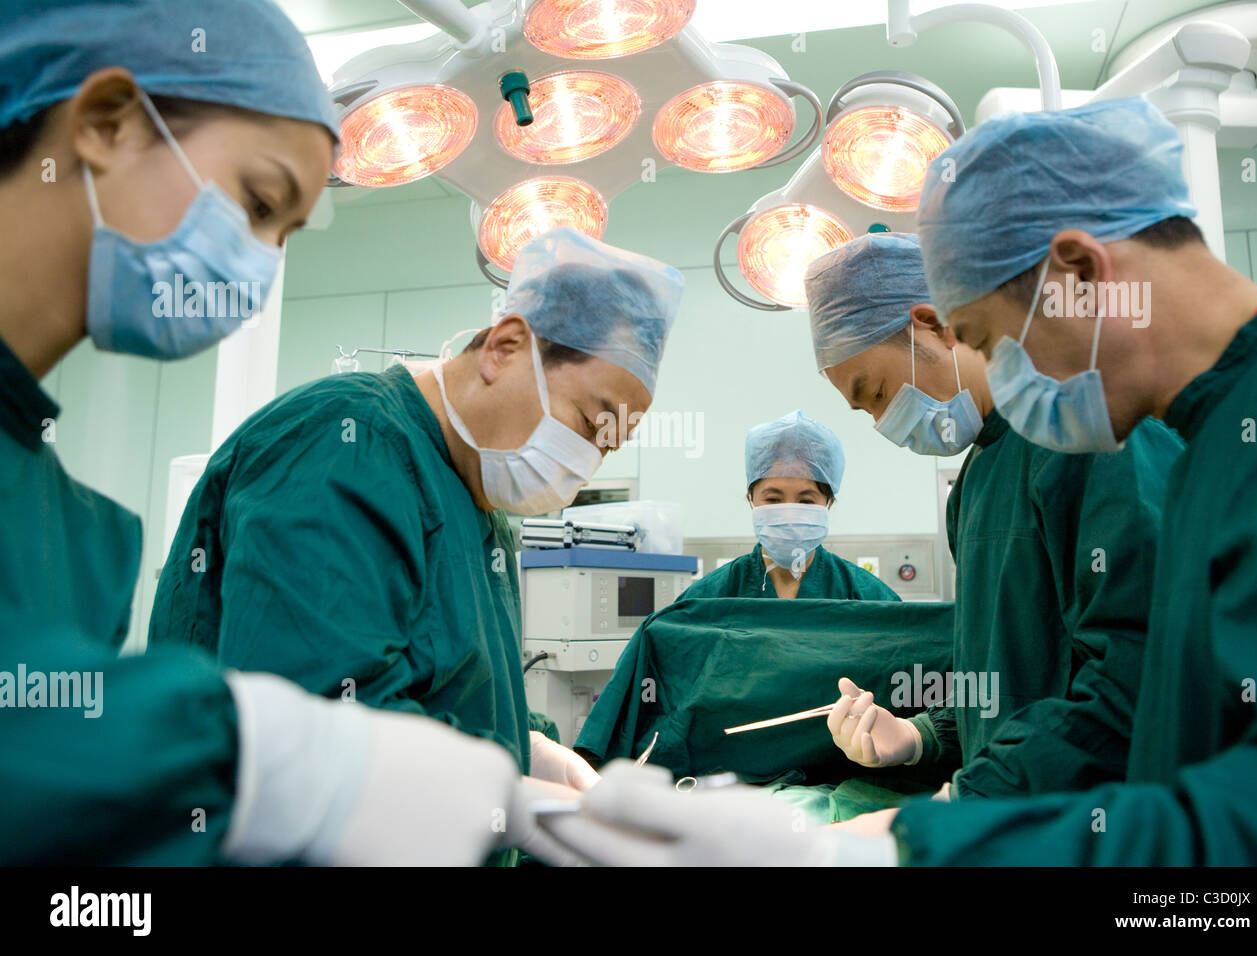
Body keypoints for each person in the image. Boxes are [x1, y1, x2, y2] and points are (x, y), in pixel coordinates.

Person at [536, 96, 1257, 866]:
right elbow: (1078, 699)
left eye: (991, 340)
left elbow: (1196, 754)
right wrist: (927, 745)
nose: (1005, 374)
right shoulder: (1204, 436)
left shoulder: (1242, 427)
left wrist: (913, 835)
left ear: (1077, 274)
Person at [0, 0, 575, 866]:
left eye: (285, 235)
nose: (259, 271)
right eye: (258, 202)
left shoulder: (68, 526)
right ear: (108, 124)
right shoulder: (348, 442)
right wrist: (277, 759)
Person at [149, 226, 685, 828]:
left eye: (613, 445)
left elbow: (460, 687)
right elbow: (314, 724)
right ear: (505, 347)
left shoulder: (479, 500)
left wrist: (530, 749)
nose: (591, 458)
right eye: (591, 423)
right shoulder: (343, 444)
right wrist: (514, 799)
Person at [802, 232, 1182, 802]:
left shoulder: (1091, 433)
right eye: (867, 412)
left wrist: (977, 797)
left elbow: (1142, 678)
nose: (884, 422)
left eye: (878, 392)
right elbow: (1006, 678)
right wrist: (919, 735)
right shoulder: (975, 481)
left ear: (931, 323)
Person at [677, 410, 898, 601]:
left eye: (806, 501)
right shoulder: (711, 597)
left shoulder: (864, 595)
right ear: (751, 499)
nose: (790, 512)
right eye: (773, 500)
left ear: (828, 504)